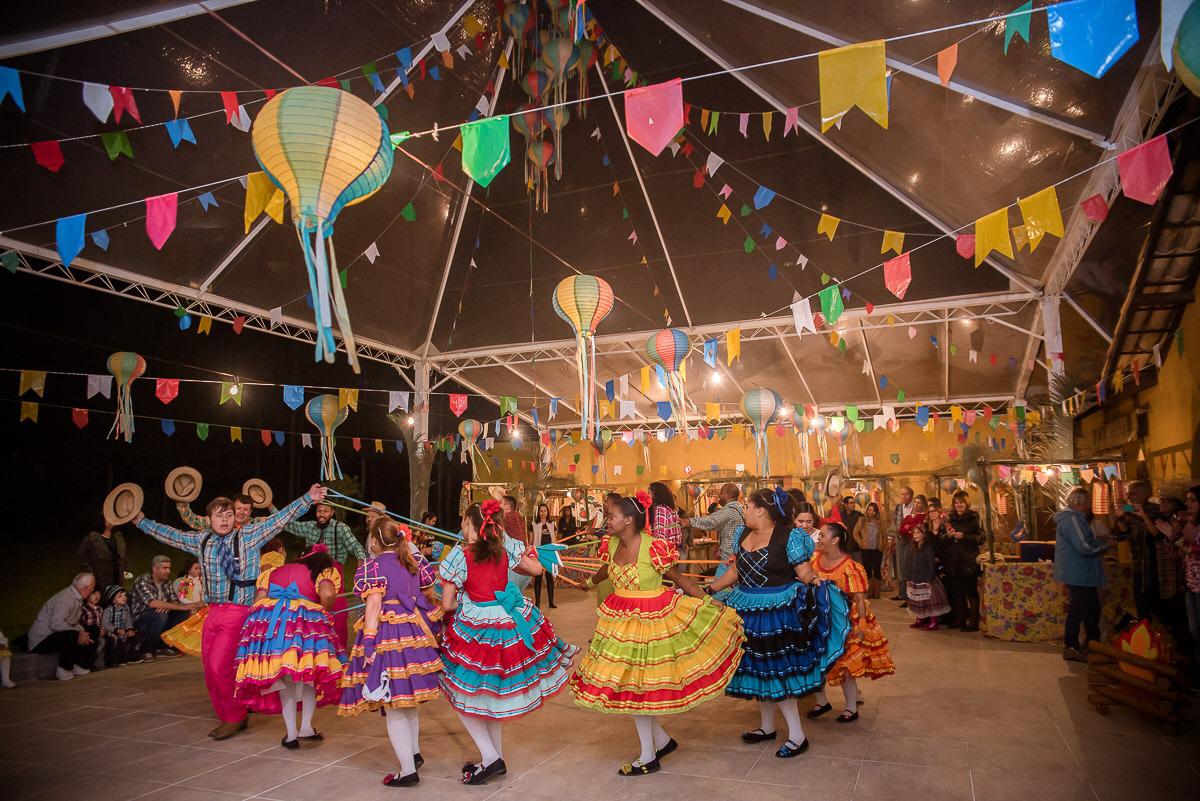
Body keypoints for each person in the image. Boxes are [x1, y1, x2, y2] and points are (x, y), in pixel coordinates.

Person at [572, 492, 744, 776]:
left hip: (651, 621)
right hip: (620, 621)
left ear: (628, 520)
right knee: (630, 686)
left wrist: (707, 600)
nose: (607, 520)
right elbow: (607, 569)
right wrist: (589, 582)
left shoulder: (654, 547)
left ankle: (648, 755)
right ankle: (661, 742)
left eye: (612, 515)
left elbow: (679, 579)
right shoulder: (611, 543)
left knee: (638, 690)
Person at [134, 485, 325, 740]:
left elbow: (281, 519)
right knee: (209, 669)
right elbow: (169, 535)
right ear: (210, 519)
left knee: (220, 666)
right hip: (213, 611)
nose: (224, 520)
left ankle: (235, 717)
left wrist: (307, 499)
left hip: (240, 612)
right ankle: (228, 714)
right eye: (218, 515)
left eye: (228, 515)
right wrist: (141, 521)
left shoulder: (248, 536)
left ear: (234, 517)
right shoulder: (202, 541)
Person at [439, 500, 577, 785]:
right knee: (493, 694)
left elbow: (447, 603)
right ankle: (493, 755)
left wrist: (465, 597)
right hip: (508, 621)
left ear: (473, 526)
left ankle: (491, 757)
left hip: (477, 628)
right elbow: (538, 569)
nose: (461, 528)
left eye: (464, 523)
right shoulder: (505, 549)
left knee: (461, 691)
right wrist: (527, 551)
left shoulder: (459, 556)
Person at [706, 488, 849, 756]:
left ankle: (797, 735)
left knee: (777, 673)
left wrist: (816, 581)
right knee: (759, 671)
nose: (744, 510)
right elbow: (737, 570)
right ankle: (767, 727)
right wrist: (713, 589)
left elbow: (804, 570)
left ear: (761, 510)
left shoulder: (789, 537)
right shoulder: (743, 534)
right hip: (745, 608)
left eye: (747, 506)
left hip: (776, 611)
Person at [339, 518, 444, 787]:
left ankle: (408, 770)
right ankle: (414, 754)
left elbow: (373, 606)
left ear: (374, 541)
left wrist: (370, 642)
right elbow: (427, 588)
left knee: (395, 703)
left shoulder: (372, 567)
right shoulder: (412, 561)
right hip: (413, 630)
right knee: (406, 698)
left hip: (388, 632)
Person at [234, 544, 344, 749]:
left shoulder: (272, 572)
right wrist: (321, 611)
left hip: (274, 627)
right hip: (303, 626)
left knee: (286, 680)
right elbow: (328, 594)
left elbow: (259, 600)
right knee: (309, 678)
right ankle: (306, 727)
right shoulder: (321, 571)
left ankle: (292, 734)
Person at [810, 521, 894, 722]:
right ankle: (822, 701)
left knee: (845, 665)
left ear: (836, 540)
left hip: (846, 622)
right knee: (816, 663)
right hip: (820, 620)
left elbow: (859, 597)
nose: (818, 539)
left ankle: (850, 708)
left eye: (822, 535)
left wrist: (862, 623)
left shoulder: (850, 567)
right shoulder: (814, 559)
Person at [1054, 488, 1112, 661]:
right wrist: (1104, 545)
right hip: (1079, 574)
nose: (1088, 507)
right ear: (1078, 503)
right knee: (1078, 610)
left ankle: (1092, 644)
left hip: (1085, 574)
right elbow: (1083, 547)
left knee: (1091, 610)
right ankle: (1071, 646)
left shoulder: (1075, 519)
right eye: (1087, 503)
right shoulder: (1072, 519)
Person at [29, 572, 98, 681]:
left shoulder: (77, 598)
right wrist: (79, 633)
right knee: (72, 635)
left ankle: (79, 664)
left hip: (57, 634)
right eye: (92, 587)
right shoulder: (65, 599)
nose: (93, 590)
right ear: (86, 587)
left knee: (93, 630)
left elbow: (73, 622)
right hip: (42, 639)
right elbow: (56, 624)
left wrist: (82, 632)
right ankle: (64, 669)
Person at [131, 555, 196, 658]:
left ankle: (163, 646)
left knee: (182, 613)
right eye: (164, 568)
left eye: (169, 568)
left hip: (162, 616)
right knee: (162, 615)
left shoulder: (166, 582)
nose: (168, 571)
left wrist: (168, 606)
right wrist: (178, 606)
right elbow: (152, 603)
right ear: (155, 569)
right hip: (142, 619)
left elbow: (174, 601)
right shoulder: (142, 581)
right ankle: (147, 648)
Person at [680, 483, 744, 581]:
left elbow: (711, 521)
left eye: (721, 493)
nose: (718, 496)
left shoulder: (730, 510)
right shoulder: (739, 509)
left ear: (728, 496)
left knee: (719, 591)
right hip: (733, 559)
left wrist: (689, 521)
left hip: (729, 562)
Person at [943, 491, 982, 631]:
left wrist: (964, 536)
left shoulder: (974, 517)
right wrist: (948, 536)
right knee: (957, 592)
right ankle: (960, 620)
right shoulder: (950, 518)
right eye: (956, 502)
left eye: (961, 502)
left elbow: (981, 537)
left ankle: (973, 622)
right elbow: (943, 538)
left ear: (967, 503)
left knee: (971, 591)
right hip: (953, 560)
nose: (959, 505)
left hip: (968, 560)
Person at [905, 509, 949, 629]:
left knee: (929, 601)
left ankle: (933, 620)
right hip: (915, 578)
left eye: (918, 534)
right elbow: (910, 562)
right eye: (914, 534)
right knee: (918, 600)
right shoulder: (913, 547)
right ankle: (920, 618)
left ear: (923, 534)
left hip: (926, 578)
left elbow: (930, 564)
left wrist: (929, 579)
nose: (915, 536)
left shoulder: (928, 547)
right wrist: (908, 576)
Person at [1179, 486, 1200, 674]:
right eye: (1187, 499)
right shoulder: (1190, 524)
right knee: (1194, 630)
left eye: (1192, 500)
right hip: (1190, 583)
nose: (1188, 504)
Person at [77, 524, 128, 589]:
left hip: (117, 574)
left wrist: (125, 567)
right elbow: (81, 555)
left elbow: (123, 553)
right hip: (101, 576)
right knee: (103, 595)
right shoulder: (91, 538)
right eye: (107, 519)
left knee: (116, 593)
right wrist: (90, 570)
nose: (111, 522)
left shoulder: (118, 535)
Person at [179, 493, 262, 531]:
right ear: (232, 508)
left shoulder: (255, 524)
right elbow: (191, 520)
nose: (242, 512)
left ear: (250, 512)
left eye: (246, 509)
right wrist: (183, 503)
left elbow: (275, 522)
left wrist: (269, 504)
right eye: (239, 508)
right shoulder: (217, 521)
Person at [890, 487, 917, 602]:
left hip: (911, 540)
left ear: (911, 496)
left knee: (909, 566)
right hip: (900, 539)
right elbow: (895, 522)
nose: (904, 497)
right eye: (902, 494)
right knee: (900, 566)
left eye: (906, 494)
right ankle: (902, 594)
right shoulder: (898, 507)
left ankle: (910, 596)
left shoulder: (915, 507)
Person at [101, 585, 137, 668]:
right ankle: (113, 661)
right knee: (116, 640)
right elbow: (105, 623)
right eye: (120, 596)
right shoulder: (108, 609)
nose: (124, 598)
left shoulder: (126, 608)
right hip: (111, 632)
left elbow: (128, 621)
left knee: (133, 637)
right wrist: (115, 630)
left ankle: (129, 657)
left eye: (125, 595)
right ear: (113, 600)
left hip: (122, 631)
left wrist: (130, 629)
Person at [531, 504, 558, 608]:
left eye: (545, 511)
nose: (543, 513)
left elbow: (555, 540)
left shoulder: (552, 524)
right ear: (538, 512)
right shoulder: (533, 524)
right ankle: (537, 603)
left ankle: (551, 602)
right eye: (541, 511)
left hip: (549, 553)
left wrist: (556, 552)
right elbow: (531, 541)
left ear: (548, 512)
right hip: (538, 553)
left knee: (549, 578)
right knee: (538, 578)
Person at [646, 482, 683, 551]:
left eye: (649, 493)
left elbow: (660, 536)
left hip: (664, 551)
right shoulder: (670, 508)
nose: (648, 495)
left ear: (656, 495)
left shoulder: (661, 509)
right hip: (673, 550)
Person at [860, 503, 884, 599]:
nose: (871, 512)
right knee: (867, 570)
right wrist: (860, 542)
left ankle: (877, 592)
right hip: (866, 549)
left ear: (876, 512)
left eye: (873, 510)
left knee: (877, 569)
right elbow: (855, 533)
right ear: (867, 511)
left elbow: (884, 534)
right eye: (869, 510)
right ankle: (870, 591)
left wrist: (883, 543)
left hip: (877, 549)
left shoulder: (880, 522)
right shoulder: (862, 520)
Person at [79, 588, 104, 667]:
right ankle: (86, 663)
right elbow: (81, 624)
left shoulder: (100, 609)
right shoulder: (83, 610)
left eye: (98, 593)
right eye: (93, 594)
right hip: (88, 633)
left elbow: (101, 622)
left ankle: (91, 662)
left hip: (98, 633)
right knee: (93, 642)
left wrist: (102, 629)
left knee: (105, 641)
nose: (97, 596)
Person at [838, 497, 864, 563]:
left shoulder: (859, 515)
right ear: (846, 504)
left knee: (859, 567)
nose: (853, 504)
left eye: (854, 502)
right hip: (844, 547)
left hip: (856, 547)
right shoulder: (840, 515)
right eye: (851, 503)